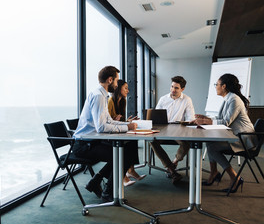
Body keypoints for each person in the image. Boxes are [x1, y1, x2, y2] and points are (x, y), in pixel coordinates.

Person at [72, 66, 138, 202]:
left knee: (125, 152)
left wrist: (127, 126)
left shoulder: (101, 95)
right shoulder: (98, 97)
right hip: (84, 146)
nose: (116, 84)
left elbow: (109, 121)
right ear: (110, 80)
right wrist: (127, 128)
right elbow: (102, 127)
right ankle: (108, 193)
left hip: (92, 142)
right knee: (123, 156)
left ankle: (96, 181)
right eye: (116, 81)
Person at [193, 73, 257, 193]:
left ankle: (235, 178)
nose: (215, 86)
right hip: (235, 136)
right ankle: (214, 173)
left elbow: (226, 122)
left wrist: (206, 121)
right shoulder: (228, 98)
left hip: (244, 139)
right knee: (209, 143)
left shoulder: (234, 99)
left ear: (224, 86)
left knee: (212, 148)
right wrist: (205, 117)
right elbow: (219, 117)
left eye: (216, 84)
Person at [150, 76, 195, 185]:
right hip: (162, 129)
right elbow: (155, 116)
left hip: (178, 129)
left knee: (186, 143)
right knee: (152, 141)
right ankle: (171, 169)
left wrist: (187, 122)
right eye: (172, 87)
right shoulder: (163, 99)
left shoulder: (187, 100)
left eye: (176, 88)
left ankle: (173, 163)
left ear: (182, 89)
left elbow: (190, 118)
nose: (173, 90)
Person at [108, 79, 146, 186]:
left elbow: (120, 120)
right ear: (118, 89)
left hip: (118, 130)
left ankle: (131, 170)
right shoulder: (110, 101)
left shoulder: (122, 101)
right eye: (125, 88)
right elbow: (107, 121)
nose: (128, 91)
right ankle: (123, 175)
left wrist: (127, 121)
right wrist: (115, 119)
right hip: (110, 133)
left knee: (133, 141)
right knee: (126, 145)